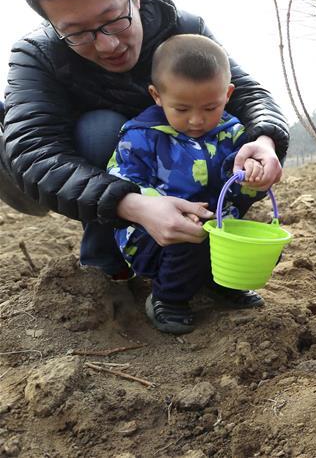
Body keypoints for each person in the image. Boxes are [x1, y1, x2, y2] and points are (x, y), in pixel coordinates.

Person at [0, 0, 289, 280]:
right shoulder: (37, 56)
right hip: (39, 179)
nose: (107, 45)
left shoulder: (184, 31)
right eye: (78, 33)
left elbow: (247, 96)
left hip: (157, 158)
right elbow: (34, 154)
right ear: (52, 25)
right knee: (101, 130)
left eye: (114, 20)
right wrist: (132, 204)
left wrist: (265, 140)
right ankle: (107, 266)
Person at [109, 35, 272, 333]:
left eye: (210, 108)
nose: (197, 120)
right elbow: (122, 180)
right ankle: (168, 298)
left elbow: (239, 189)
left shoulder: (233, 134)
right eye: (182, 109)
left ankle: (224, 284)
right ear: (157, 96)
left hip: (215, 227)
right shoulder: (141, 136)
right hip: (154, 235)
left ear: (228, 94)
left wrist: (252, 179)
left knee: (248, 243)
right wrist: (156, 205)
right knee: (189, 243)